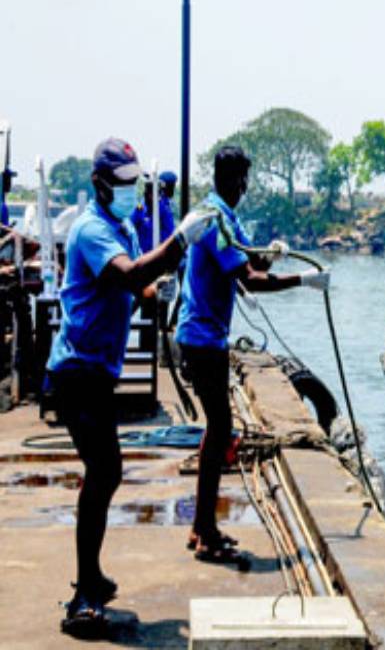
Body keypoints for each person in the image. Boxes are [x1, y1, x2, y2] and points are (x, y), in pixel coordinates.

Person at [47, 138, 214, 635]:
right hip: (77, 371)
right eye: (122, 184)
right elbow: (130, 271)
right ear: (100, 185)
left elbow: (134, 283)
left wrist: (152, 291)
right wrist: (179, 243)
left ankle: (92, 575)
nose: (130, 192)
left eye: (134, 183)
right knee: (103, 471)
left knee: (106, 472)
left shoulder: (119, 226)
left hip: (98, 370)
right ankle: (83, 594)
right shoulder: (92, 230)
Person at [175, 145, 329, 565]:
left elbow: (250, 257)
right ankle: (204, 532)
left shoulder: (226, 216)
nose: (244, 188)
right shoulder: (213, 221)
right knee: (220, 430)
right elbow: (250, 280)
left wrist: (272, 253)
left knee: (218, 429)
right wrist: (302, 279)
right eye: (242, 180)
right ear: (231, 179)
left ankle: (201, 525)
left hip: (209, 337)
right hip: (201, 338)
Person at [130, 171, 177, 253]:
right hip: (144, 254)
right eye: (171, 186)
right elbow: (131, 223)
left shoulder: (165, 205)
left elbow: (170, 233)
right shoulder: (143, 206)